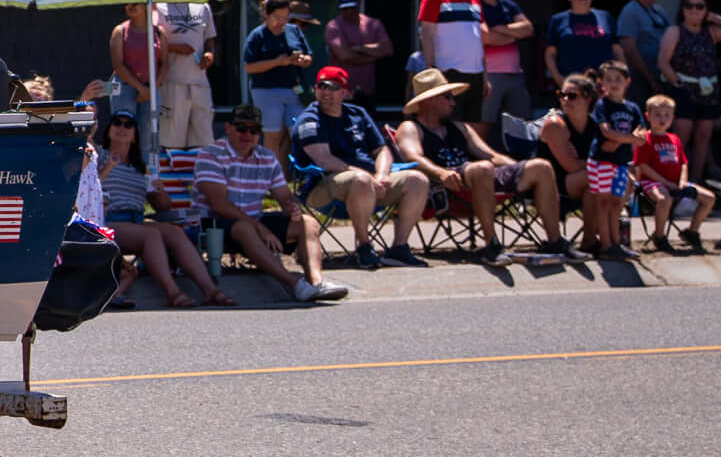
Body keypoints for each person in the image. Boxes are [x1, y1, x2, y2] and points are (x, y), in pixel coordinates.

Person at [396, 66, 560, 263]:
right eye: (447, 96)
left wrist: (517, 168)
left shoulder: (458, 126)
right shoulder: (410, 127)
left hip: (479, 178)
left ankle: (555, 241)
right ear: (430, 100)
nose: (453, 102)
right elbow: (412, 157)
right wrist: (441, 173)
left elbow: (489, 155)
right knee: (481, 168)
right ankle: (492, 246)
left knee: (540, 166)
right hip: (448, 186)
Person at [196, 103, 349, 302]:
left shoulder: (267, 157)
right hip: (215, 225)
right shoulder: (211, 154)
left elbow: (284, 195)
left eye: (254, 130)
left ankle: (315, 282)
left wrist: (291, 206)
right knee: (245, 228)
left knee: (307, 222)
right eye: (241, 128)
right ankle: (294, 284)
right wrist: (261, 228)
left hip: (253, 221)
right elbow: (219, 204)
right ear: (227, 128)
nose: (247, 134)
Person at [296, 65, 429, 268]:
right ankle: (364, 246)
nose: (326, 92)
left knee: (418, 180)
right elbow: (324, 160)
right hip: (324, 186)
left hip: (370, 183)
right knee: (361, 180)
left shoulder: (357, 114)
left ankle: (399, 249)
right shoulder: (310, 119)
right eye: (321, 86)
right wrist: (367, 176)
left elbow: (381, 150)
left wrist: (383, 175)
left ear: (344, 93)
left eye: (332, 87)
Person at [95, 110, 223, 307]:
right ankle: (173, 293)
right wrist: (108, 168)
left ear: (135, 134)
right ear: (108, 128)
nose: (122, 128)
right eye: (117, 123)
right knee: (150, 235)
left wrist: (160, 192)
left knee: (173, 231)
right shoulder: (98, 155)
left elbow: (162, 207)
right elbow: (88, 185)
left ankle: (210, 290)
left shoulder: (141, 168)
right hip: (107, 220)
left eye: (128, 125)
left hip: (135, 221)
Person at [657, 0, 721, 179]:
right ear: (682, 9)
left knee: (703, 136)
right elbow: (663, 62)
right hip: (684, 89)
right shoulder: (675, 31)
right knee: (681, 136)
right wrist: (677, 84)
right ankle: (672, 180)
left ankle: (696, 180)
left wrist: (711, 16)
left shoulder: (709, 33)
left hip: (708, 92)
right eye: (689, 6)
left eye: (699, 7)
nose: (694, 10)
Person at [538, 73, 621, 259]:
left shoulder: (596, 126)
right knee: (597, 178)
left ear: (587, 99)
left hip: (585, 179)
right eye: (562, 95)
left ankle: (603, 241)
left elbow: (612, 156)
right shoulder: (555, 125)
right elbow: (571, 167)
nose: (566, 100)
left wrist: (593, 162)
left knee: (619, 178)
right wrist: (594, 161)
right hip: (552, 184)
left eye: (572, 96)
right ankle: (594, 242)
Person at [632, 92, 717, 253]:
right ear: (648, 116)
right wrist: (665, 182)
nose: (662, 119)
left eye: (667, 115)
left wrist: (683, 181)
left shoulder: (674, 139)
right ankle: (659, 236)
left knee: (709, 198)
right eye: (657, 115)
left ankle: (691, 232)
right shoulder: (645, 139)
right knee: (664, 199)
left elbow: (683, 163)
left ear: (673, 117)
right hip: (652, 181)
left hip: (675, 182)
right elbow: (643, 166)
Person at [241, 0, 316, 155]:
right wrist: (277, 62)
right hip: (266, 91)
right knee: (273, 135)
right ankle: (271, 176)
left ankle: (300, 175)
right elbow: (249, 67)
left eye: (285, 17)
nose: (281, 22)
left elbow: (309, 57)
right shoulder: (257, 35)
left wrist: (303, 60)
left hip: (294, 90)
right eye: (277, 17)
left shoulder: (294, 30)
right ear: (266, 14)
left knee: (301, 131)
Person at [418, 0, 490, 120]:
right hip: (447, 72)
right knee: (449, 122)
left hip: (476, 74)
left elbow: (478, 39)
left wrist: (485, 75)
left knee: (473, 124)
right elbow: (426, 33)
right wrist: (431, 69)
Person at [156, 0, 218, 153]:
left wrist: (210, 54)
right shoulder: (158, 7)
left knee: (204, 141)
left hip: (200, 83)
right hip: (172, 83)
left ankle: (199, 175)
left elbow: (209, 38)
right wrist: (174, 48)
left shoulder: (202, 6)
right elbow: (150, 41)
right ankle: (174, 176)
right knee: (173, 142)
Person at [474, 0, 533, 120]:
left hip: (515, 74)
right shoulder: (474, 4)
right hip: (489, 75)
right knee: (484, 122)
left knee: (520, 122)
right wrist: (514, 34)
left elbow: (528, 29)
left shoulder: (509, 5)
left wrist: (500, 28)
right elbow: (486, 37)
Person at [541, 0, 617, 95]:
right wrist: (559, 80)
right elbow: (550, 54)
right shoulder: (558, 20)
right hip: (572, 85)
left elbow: (617, 50)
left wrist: (619, 78)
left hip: (603, 85)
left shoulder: (605, 17)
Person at [325, 0, 396, 105]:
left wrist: (360, 48)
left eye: (352, 7)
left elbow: (388, 49)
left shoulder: (373, 24)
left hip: (367, 90)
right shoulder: (334, 26)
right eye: (345, 8)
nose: (349, 11)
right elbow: (344, 55)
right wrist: (372, 57)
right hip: (342, 91)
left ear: (359, 3)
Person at [615, 0, 670, 96]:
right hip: (640, 80)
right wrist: (650, 78)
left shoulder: (659, 11)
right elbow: (629, 50)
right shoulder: (630, 11)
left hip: (661, 77)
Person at [106, 1, 160, 121]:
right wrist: (141, 89)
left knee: (148, 135)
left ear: (146, 6)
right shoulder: (120, 31)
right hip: (124, 89)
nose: (131, 6)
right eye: (127, 3)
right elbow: (118, 65)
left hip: (151, 89)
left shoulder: (159, 33)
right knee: (123, 130)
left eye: (136, 3)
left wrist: (152, 89)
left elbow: (165, 64)